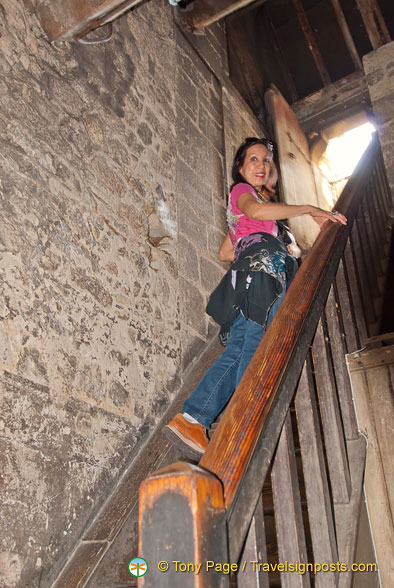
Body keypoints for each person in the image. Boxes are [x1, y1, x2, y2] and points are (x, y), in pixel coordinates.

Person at [163, 137, 347, 458]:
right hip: (259, 276)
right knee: (252, 347)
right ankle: (242, 424)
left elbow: (225, 251)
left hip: (248, 277)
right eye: (253, 159)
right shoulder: (242, 192)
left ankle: (193, 418)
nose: (261, 165)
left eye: (266, 161)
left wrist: (271, 239)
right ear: (241, 167)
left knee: (238, 349)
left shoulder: (249, 207)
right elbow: (257, 211)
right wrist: (309, 208)